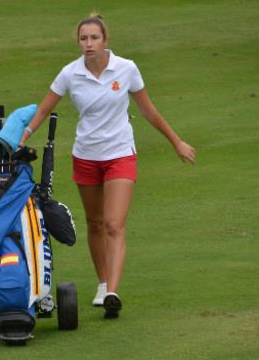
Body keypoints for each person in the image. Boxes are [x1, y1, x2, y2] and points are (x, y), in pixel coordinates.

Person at [20, 14, 196, 319]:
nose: (88, 44)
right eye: (83, 39)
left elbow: (148, 110)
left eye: (94, 38)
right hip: (86, 157)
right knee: (95, 223)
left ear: (105, 40)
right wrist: (23, 135)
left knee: (114, 224)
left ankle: (112, 292)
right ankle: (102, 284)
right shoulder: (70, 74)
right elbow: (44, 108)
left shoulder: (126, 69)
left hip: (120, 155)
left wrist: (176, 141)